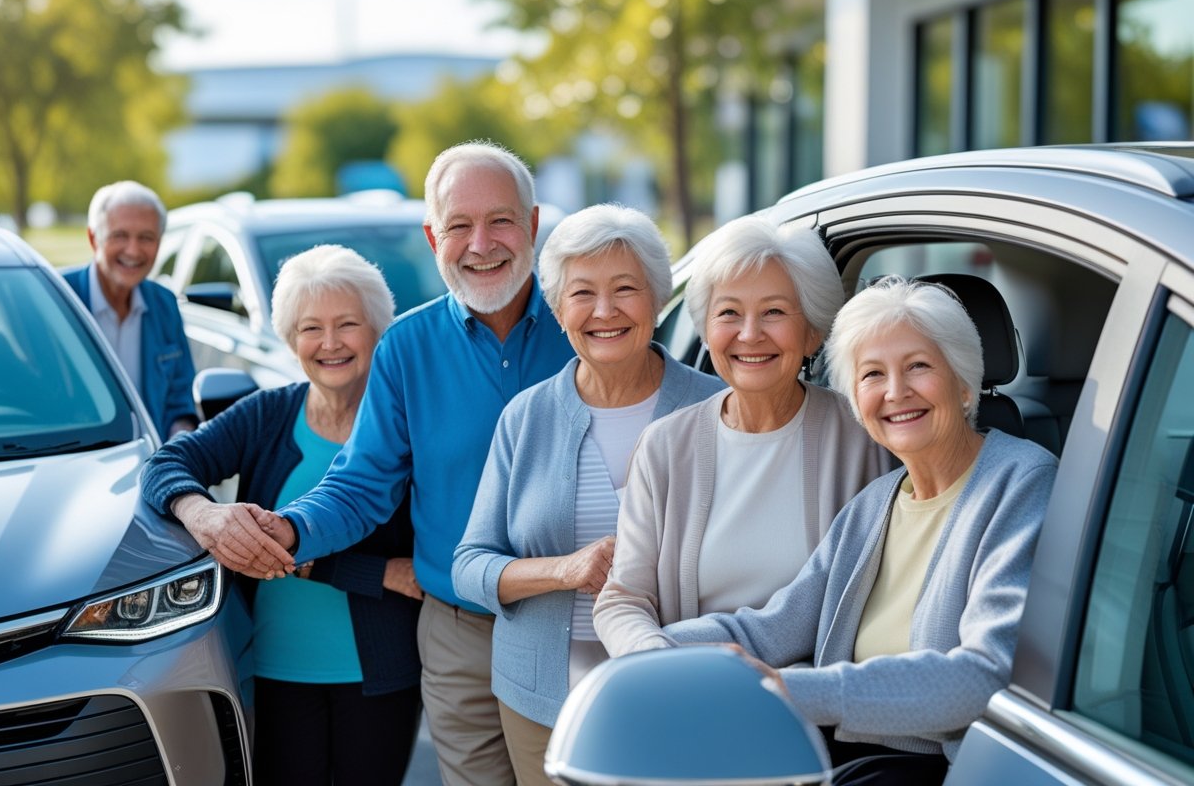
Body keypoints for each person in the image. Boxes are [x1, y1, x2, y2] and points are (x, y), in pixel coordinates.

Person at [206, 140, 577, 786]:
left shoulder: (583, 329)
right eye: (459, 225)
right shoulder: (405, 347)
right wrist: (290, 530)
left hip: (572, 621)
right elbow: (362, 482)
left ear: (533, 225)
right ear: (435, 236)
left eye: (500, 221)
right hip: (458, 633)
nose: (480, 243)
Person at [663, 276, 1058, 785]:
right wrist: (653, 654)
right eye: (872, 374)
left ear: (963, 383)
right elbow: (769, 628)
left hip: (942, 771)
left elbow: (984, 676)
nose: (895, 393)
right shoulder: (875, 504)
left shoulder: (1021, 481)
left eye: (918, 366)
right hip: (847, 762)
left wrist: (797, 691)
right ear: (857, 402)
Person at [451, 204, 726, 784]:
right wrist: (566, 570)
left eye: (625, 289)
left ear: (658, 297)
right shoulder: (525, 416)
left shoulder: (718, 408)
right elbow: (469, 567)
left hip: (684, 688)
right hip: (543, 699)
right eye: (582, 294)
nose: (604, 312)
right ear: (556, 308)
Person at [140, 245, 422, 786]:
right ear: (291, 339)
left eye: (348, 324)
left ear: (378, 330)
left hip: (381, 675)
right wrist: (204, 515)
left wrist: (312, 563)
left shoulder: (406, 426)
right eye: (311, 327)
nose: (330, 343)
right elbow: (166, 463)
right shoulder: (269, 414)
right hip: (269, 668)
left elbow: (422, 569)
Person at [593, 215, 892, 657]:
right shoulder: (664, 446)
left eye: (773, 311)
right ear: (707, 328)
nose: (749, 335)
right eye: (729, 312)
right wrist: (656, 660)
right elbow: (624, 598)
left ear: (812, 331)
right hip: (696, 692)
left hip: (822, 709)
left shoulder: (866, 436)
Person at [62, 180, 197, 438]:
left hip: (150, 464)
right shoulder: (58, 299)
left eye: (146, 237)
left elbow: (179, 400)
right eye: (120, 235)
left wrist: (180, 440)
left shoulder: (165, 305)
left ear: (159, 243)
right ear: (93, 238)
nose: (133, 250)